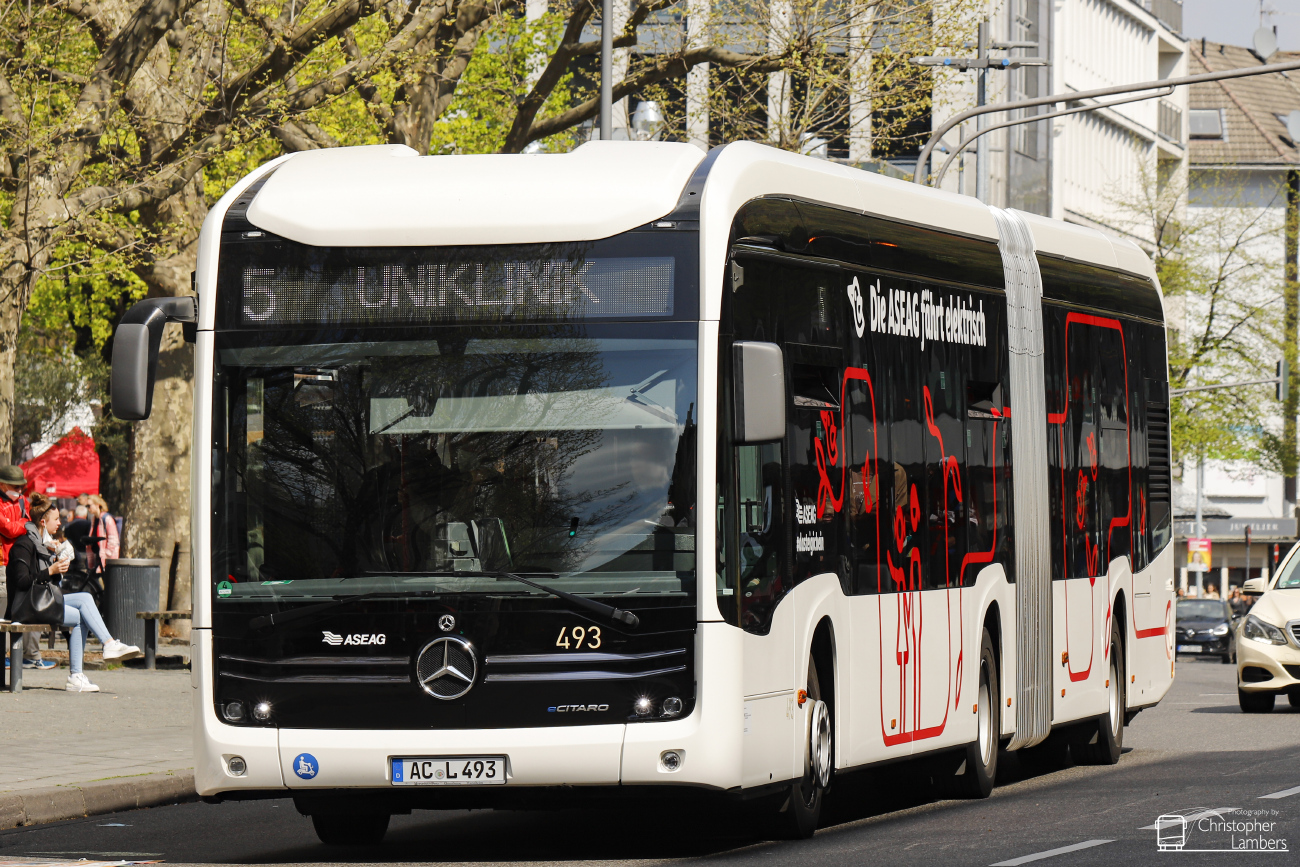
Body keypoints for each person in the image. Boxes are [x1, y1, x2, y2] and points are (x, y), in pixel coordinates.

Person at [7, 494, 142, 692]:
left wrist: (56, 566)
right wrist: (50, 570)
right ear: (43, 522)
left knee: (86, 598)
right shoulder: (24, 545)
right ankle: (79, 672)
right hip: (25, 607)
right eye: (56, 520)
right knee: (81, 616)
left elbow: (44, 581)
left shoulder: (41, 544)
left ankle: (106, 646)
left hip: (39, 600)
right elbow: (22, 581)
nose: (60, 523)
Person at [0, 465, 56, 671]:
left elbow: (23, 527)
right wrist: (25, 523)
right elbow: (7, 528)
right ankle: (6, 656)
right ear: (3, 484)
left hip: (25, 560)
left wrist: (22, 524)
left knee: (31, 604)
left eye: (21, 486)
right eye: (15, 486)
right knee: (6, 610)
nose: (19, 490)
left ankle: (30, 655)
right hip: (5, 562)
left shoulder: (22, 501)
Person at [87, 495, 120, 563]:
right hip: (97, 556)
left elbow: (113, 540)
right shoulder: (94, 519)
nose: (88, 508)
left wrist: (106, 555)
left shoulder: (107, 518)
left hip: (106, 559)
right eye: (86, 506)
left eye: (89, 505)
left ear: (97, 505)